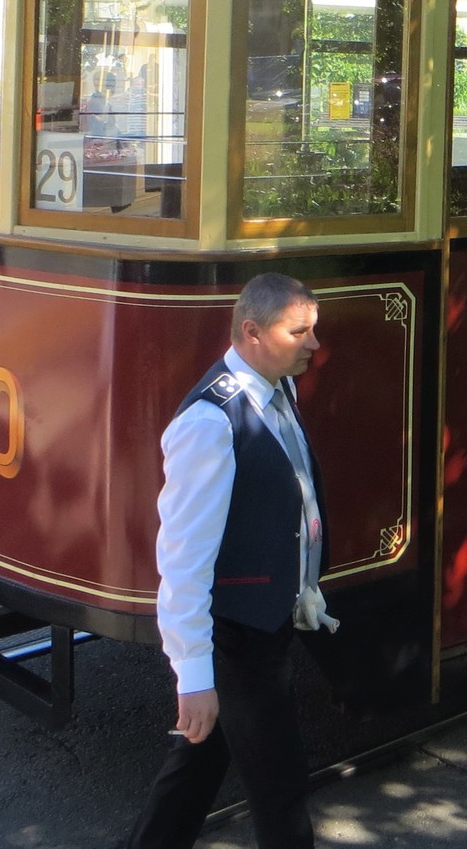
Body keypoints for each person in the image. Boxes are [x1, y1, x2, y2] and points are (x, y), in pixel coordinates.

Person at [128, 274, 339, 849]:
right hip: (236, 635)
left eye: (313, 330)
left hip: (262, 622)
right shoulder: (210, 422)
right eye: (299, 332)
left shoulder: (275, 387)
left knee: (196, 767)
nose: (314, 345)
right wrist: (193, 675)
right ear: (251, 331)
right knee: (280, 785)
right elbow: (184, 561)